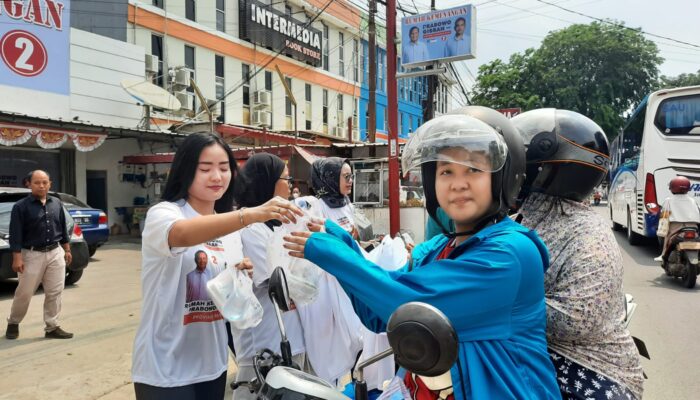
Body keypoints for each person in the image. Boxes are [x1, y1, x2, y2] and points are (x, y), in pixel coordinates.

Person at [284, 111, 560, 399]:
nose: (458, 183)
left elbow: (403, 302)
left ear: (503, 177)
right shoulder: (441, 247)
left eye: (474, 169)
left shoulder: (510, 254)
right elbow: (380, 314)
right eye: (446, 171)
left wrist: (329, 252)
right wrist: (341, 241)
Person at [132, 133, 301, 400]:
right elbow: (182, 234)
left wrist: (237, 278)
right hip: (164, 367)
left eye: (224, 168)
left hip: (211, 366)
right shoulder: (164, 214)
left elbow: (227, 296)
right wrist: (250, 214)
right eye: (205, 169)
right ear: (186, 171)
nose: (217, 177)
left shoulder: (229, 229)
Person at [511, 108, 644, 400]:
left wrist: (491, 297)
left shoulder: (587, 232)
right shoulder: (518, 216)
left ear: (543, 168)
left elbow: (576, 320)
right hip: (527, 349)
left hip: (591, 365)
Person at [294, 158, 392, 390]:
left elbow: (351, 238)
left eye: (351, 177)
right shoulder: (314, 207)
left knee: (359, 338)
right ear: (329, 178)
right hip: (328, 287)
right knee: (331, 344)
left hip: (351, 280)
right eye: (346, 177)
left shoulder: (346, 204)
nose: (350, 182)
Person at [230, 153, 310, 400]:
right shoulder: (248, 229)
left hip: (290, 339)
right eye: (286, 178)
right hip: (263, 346)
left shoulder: (278, 225)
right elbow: (280, 280)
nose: (291, 185)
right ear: (267, 183)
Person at [5, 170, 73, 340]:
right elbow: (16, 234)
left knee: (55, 291)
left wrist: (67, 249)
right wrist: (17, 257)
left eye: (45, 182)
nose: (41, 186)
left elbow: (62, 227)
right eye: (37, 182)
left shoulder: (56, 203)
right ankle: (13, 323)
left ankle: (52, 327)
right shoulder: (20, 207)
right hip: (31, 254)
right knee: (24, 292)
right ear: (29, 184)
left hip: (55, 252)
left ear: (50, 183)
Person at [657, 176, 700, 262]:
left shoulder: (668, 200)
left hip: (675, 227)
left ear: (672, 188)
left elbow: (664, 216)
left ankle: (663, 255)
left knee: (665, 236)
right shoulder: (693, 200)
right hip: (693, 227)